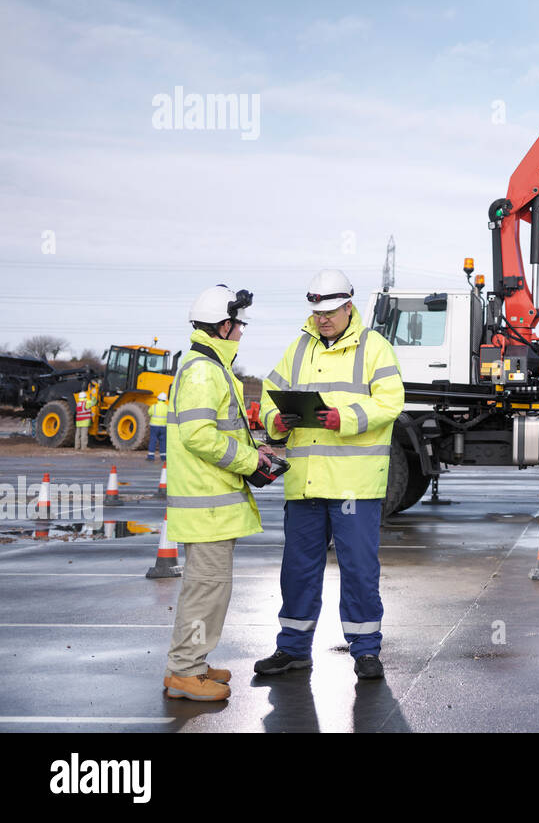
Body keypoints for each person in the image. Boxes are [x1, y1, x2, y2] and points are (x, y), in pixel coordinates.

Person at [255, 269, 404, 681]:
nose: (323, 319)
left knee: (358, 569)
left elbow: (391, 402)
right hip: (305, 482)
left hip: (354, 483)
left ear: (348, 307)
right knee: (298, 569)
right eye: (317, 311)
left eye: (330, 311)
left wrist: (348, 417)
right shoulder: (298, 348)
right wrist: (276, 421)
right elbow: (269, 396)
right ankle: (292, 649)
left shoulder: (375, 348)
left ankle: (367, 651)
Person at [163, 285, 284, 702]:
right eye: (239, 326)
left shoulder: (209, 367)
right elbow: (199, 437)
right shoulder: (203, 371)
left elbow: (219, 433)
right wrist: (250, 463)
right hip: (206, 506)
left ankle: (190, 663)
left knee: (207, 587)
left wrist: (256, 451)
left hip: (211, 505)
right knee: (206, 589)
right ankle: (185, 671)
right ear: (224, 325)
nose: (241, 333)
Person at [147, 391, 168, 461]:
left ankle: (151, 456)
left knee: (153, 440)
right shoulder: (167, 407)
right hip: (163, 427)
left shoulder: (154, 406)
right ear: (165, 400)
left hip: (154, 426)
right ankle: (163, 457)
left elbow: (149, 413)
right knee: (163, 441)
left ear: (158, 399)